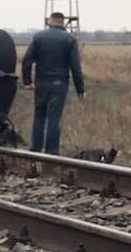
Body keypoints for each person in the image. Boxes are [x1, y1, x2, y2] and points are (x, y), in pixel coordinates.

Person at [22, 12, 85, 155]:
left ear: (50, 21)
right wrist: (80, 89)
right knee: (54, 117)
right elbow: (76, 67)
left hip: (41, 83)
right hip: (59, 84)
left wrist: (27, 81)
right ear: (63, 23)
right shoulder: (70, 39)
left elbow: (27, 60)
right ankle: (52, 152)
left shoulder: (39, 37)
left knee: (39, 116)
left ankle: (35, 149)